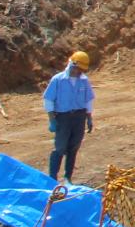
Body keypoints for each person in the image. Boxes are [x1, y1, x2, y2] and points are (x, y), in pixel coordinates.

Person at [41, 50, 95, 184]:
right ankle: (52, 178)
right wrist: (51, 119)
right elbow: (48, 100)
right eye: (79, 69)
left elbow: (88, 100)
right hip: (63, 117)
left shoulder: (83, 81)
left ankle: (67, 177)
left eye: (82, 70)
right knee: (60, 147)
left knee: (74, 147)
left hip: (79, 116)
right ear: (73, 65)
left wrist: (89, 117)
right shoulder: (58, 80)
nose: (80, 72)